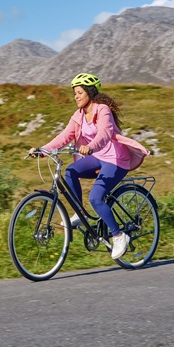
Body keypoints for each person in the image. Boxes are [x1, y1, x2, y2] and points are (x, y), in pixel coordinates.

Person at [30, 73, 149, 260]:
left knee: (95, 197)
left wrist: (91, 146)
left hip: (115, 159)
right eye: (74, 93)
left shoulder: (102, 110)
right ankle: (80, 213)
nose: (76, 96)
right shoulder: (78, 115)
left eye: (79, 92)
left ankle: (119, 236)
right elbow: (64, 136)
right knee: (71, 171)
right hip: (98, 156)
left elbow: (104, 133)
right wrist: (43, 150)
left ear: (89, 92)